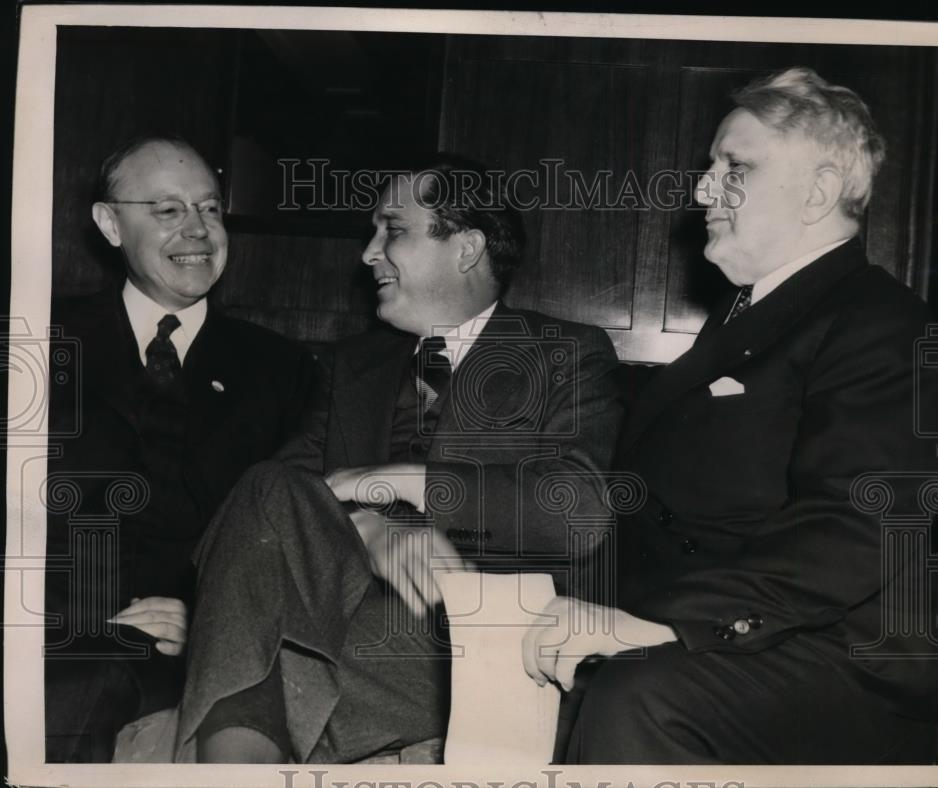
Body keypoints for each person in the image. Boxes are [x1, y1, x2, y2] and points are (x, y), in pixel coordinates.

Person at [522, 67, 938, 764]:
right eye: (709, 167)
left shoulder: (884, 322)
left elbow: (859, 525)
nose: (700, 191)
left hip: (840, 667)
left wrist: (660, 625)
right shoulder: (747, 312)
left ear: (817, 191)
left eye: (735, 168)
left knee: (638, 696)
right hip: (736, 633)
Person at [174, 155, 622, 763]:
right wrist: (368, 524)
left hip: (466, 629)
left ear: (465, 248)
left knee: (251, 654)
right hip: (336, 607)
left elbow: (579, 514)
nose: (368, 253)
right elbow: (278, 502)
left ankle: (232, 757)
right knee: (264, 483)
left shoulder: (564, 353)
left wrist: (408, 483)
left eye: (394, 230)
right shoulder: (352, 364)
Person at [45, 135, 316, 762]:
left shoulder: (281, 369)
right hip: (51, 626)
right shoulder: (37, 337)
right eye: (167, 211)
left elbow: (289, 533)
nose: (198, 231)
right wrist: (83, 619)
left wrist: (204, 616)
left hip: (187, 648)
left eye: (211, 209)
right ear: (111, 224)